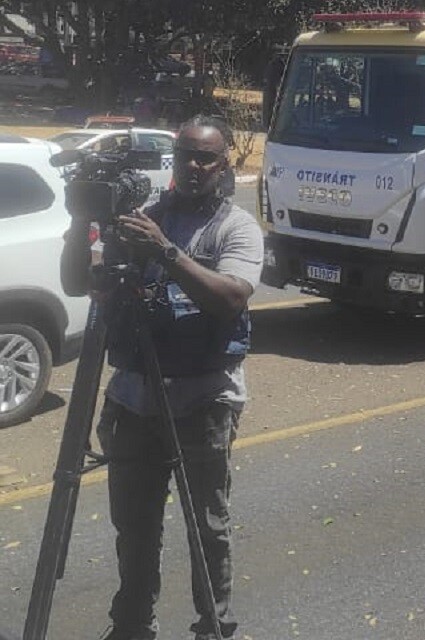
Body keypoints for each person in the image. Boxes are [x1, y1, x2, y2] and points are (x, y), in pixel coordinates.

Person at [61, 115, 264, 640]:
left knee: (207, 529)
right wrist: (78, 225)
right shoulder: (146, 215)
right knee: (134, 529)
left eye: (206, 158)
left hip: (203, 401)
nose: (193, 166)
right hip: (134, 401)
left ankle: (214, 628)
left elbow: (232, 298)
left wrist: (166, 253)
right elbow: (82, 282)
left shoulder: (234, 226)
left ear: (224, 166)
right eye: (185, 156)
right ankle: (130, 626)